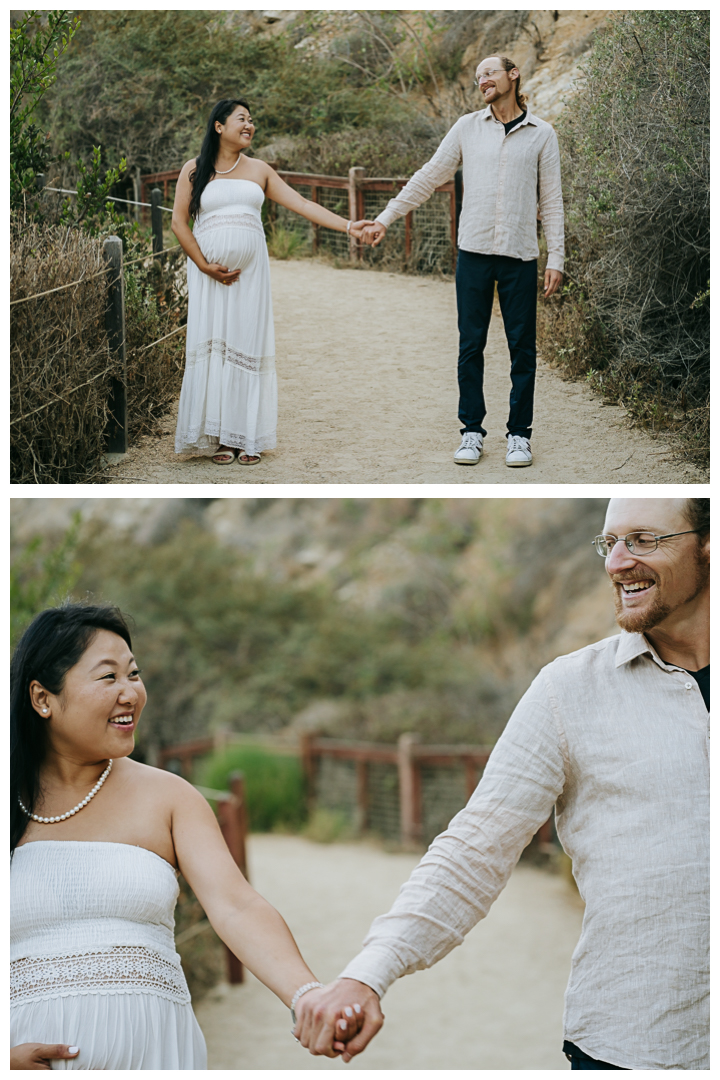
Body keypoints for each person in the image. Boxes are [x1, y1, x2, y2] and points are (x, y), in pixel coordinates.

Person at [296, 498, 709, 1071]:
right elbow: (476, 847)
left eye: (643, 539)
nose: (617, 562)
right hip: (634, 1042)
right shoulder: (569, 692)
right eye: (609, 542)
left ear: (706, 543)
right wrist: (369, 973)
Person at [10, 604, 359, 1069]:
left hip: (156, 1056)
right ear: (42, 698)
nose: (131, 692)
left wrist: (307, 994)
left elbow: (236, 906)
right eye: (108, 677)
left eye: (134, 674)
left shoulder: (169, 797)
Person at [361, 56, 564, 469]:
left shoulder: (543, 134)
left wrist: (555, 256)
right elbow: (428, 176)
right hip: (473, 253)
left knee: (521, 350)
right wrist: (385, 217)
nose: (481, 81)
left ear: (513, 74)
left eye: (489, 73)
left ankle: (519, 436)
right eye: (477, 78)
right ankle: (471, 431)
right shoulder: (467, 128)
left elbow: (552, 201)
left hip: (520, 255)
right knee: (470, 345)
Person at [172, 98, 372, 466]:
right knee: (216, 345)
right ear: (219, 126)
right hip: (209, 279)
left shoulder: (259, 169)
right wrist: (203, 265)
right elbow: (179, 223)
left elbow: (302, 204)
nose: (250, 125)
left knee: (245, 343)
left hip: (250, 278)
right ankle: (220, 440)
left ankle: (245, 435)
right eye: (241, 119)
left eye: (252, 121)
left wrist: (349, 226)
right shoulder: (195, 169)